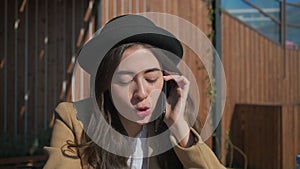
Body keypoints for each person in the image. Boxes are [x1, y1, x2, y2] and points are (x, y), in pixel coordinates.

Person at [43, 14, 226, 169]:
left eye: (151, 78)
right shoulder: (74, 120)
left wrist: (178, 126)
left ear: (165, 78)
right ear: (105, 83)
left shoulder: (175, 130)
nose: (141, 93)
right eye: (124, 80)